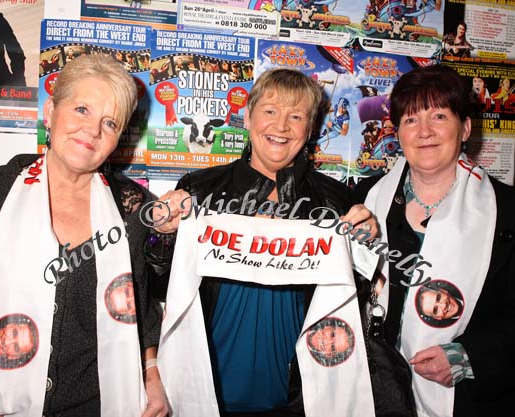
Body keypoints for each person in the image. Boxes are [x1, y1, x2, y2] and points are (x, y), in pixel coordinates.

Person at [0, 55, 168, 417]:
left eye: (109, 122)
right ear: (50, 112)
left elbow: (143, 315)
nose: (92, 131)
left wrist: (152, 374)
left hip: (102, 406)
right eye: (81, 109)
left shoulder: (134, 208)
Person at [154, 68, 377, 416]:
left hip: (298, 395)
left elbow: (350, 302)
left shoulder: (334, 200)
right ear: (247, 118)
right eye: (270, 111)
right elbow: (159, 286)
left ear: (311, 129)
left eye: (296, 116)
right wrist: (161, 237)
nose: (282, 125)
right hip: (205, 391)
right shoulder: (200, 189)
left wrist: (366, 247)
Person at [355, 64, 515, 416]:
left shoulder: (508, 211)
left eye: (439, 116)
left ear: (466, 128)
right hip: (375, 395)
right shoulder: (365, 199)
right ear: (398, 132)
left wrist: (468, 357)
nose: (424, 131)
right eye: (411, 120)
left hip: (471, 402)